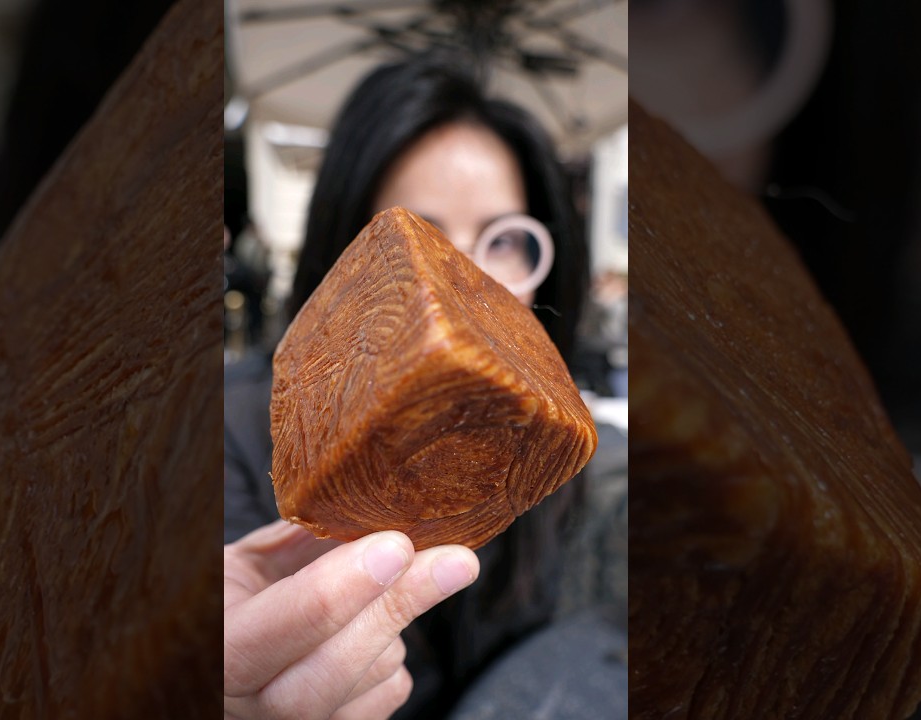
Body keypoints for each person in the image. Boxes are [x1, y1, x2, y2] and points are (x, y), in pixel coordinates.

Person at [223, 56, 623, 720]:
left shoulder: (564, 458)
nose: (468, 279)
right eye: (426, 240)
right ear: (347, 267)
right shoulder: (234, 435)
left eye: (508, 241)